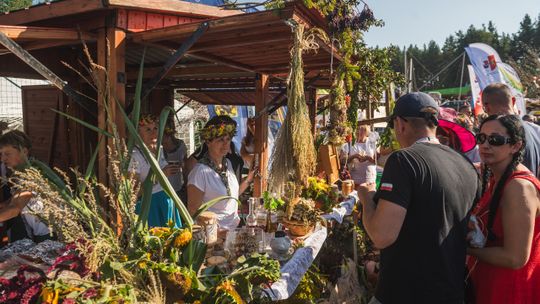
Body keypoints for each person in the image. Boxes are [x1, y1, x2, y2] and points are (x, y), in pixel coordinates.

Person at [357, 92, 480, 304]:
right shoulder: (465, 165)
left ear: (400, 124)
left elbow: (381, 235)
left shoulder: (404, 160)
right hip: (452, 291)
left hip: (406, 293)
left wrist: (366, 197)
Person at [467, 115, 540, 304]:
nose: (485, 145)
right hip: (490, 284)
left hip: (510, 291)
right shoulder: (494, 177)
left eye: (495, 140)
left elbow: (515, 258)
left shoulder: (518, 187)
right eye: (481, 138)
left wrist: (463, 248)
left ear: (516, 146)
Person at [187, 115, 255, 230]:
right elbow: (193, 212)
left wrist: (249, 178)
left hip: (234, 230)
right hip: (215, 235)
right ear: (208, 142)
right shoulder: (199, 172)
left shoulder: (227, 163)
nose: (226, 144)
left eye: (228, 139)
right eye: (220, 140)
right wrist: (214, 234)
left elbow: (232, 196)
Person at [129, 114, 183, 228]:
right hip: (150, 204)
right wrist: (161, 175)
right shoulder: (134, 156)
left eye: (155, 128)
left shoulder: (159, 149)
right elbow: (134, 192)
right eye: (148, 129)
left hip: (166, 200)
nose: (153, 133)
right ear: (138, 132)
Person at [0, 130, 52, 243]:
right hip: (37, 231)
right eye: (1, 154)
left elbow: (15, 209)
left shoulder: (34, 173)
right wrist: (3, 205)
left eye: (7, 154)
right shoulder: (23, 172)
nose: (2, 159)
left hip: (51, 234)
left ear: (24, 151)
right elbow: (15, 199)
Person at [482, 83, 540, 177]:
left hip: (511, 189)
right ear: (513, 101)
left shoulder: (497, 135)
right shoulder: (536, 130)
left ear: (487, 108)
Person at [162, 127, 187, 196]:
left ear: (169, 136)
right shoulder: (158, 147)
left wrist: (186, 183)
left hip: (177, 186)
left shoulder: (181, 146)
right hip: (162, 188)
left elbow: (185, 167)